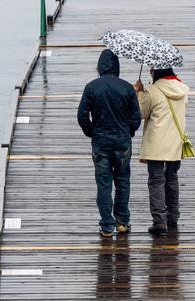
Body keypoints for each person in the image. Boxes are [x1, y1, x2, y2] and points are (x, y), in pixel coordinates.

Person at [78, 49, 142, 237]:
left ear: (100, 67)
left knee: (104, 183)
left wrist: (91, 132)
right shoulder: (127, 88)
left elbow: (82, 115)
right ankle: (122, 221)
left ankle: (107, 225)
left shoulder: (91, 87)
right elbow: (136, 118)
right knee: (123, 181)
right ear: (117, 67)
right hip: (122, 142)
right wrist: (129, 131)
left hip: (101, 142)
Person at [134, 68, 190, 235]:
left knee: (156, 180)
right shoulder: (182, 88)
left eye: (152, 71)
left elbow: (141, 113)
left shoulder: (153, 90)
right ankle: (173, 217)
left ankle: (159, 221)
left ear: (156, 73)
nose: (150, 73)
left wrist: (139, 93)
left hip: (157, 143)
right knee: (172, 178)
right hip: (175, 141)